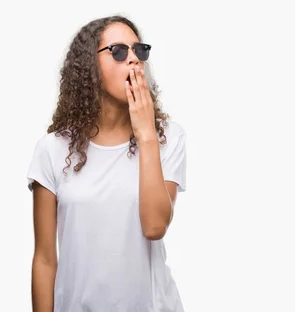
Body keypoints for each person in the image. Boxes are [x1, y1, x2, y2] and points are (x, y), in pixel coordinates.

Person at [26, 15, 187, 312]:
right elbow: (46, 260)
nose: (133, 61)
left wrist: (146, 134)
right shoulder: (51, 149)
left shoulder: (167, 138)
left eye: (139, 51)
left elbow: (154, 226)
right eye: (119, 51)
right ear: (88, 66)